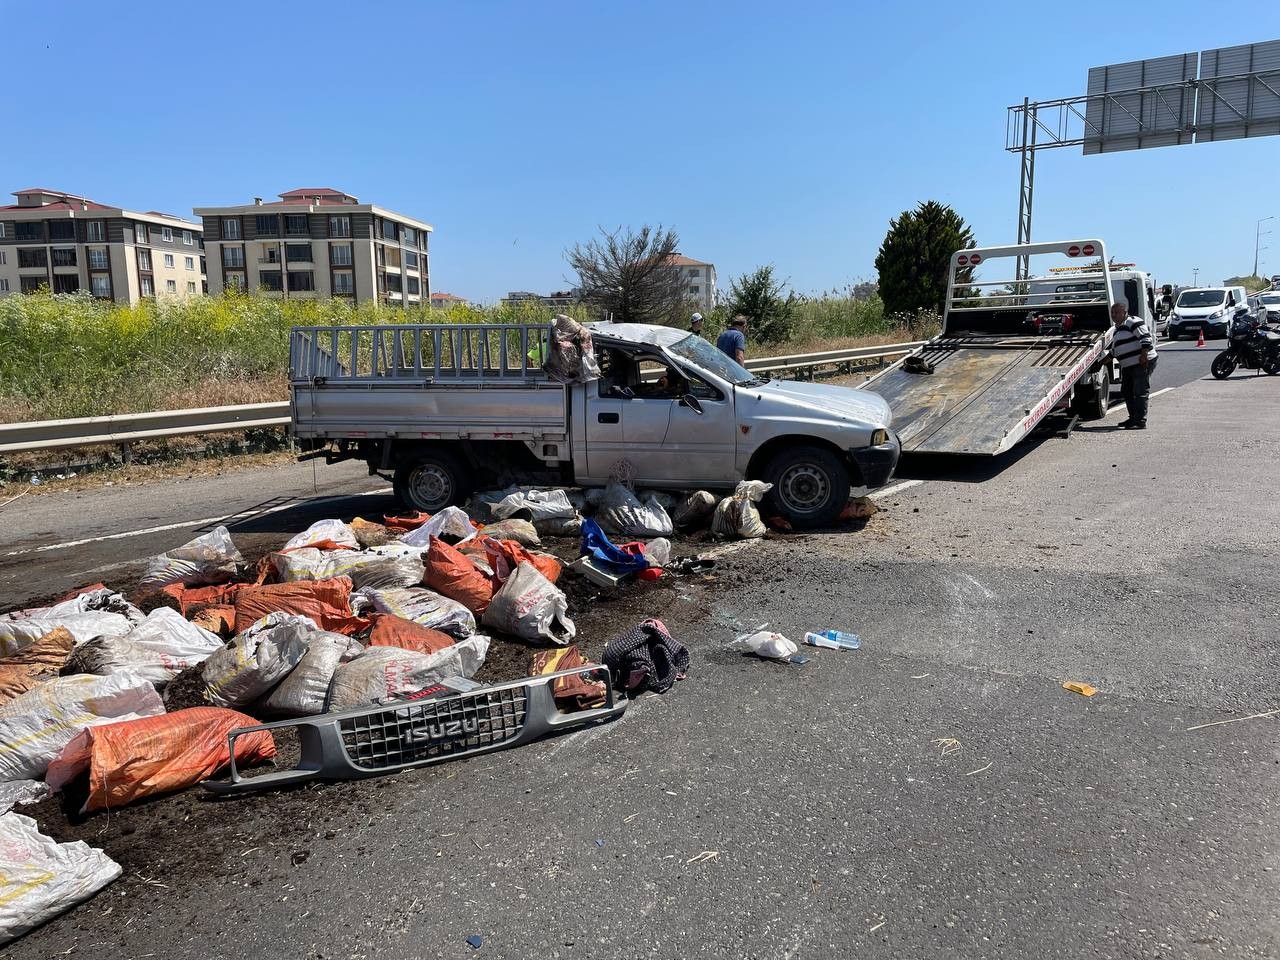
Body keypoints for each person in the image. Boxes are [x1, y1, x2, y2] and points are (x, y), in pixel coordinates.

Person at [1111, 302, 1157, 429]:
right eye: (1112, 313)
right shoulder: (1117, 330)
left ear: (1125, 313)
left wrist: (1143, 356)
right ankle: (1133, 418)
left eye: (1116, 312)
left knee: (1140, 391)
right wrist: (1099, 364)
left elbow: (1146, 339)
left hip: (1141, 362)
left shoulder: (1133, 321)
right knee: (1126, 391)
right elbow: (1114, 351)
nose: (1113, 315)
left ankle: (1140, 420)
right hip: (1129, 366)